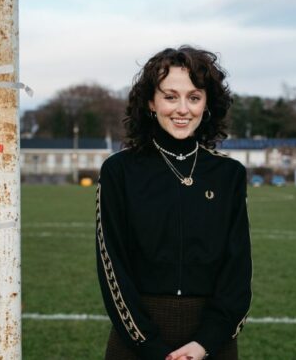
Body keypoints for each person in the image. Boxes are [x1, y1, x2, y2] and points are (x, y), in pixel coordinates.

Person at [96, 45, 252, 360]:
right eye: (170, 96)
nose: (183, 109)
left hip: (210, 341)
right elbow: (112, 266)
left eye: (194, 97)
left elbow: (238, 270)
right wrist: (150, 346)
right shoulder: (119, 170)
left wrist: (205, 343)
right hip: (137, 339)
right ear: (151, 103)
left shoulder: (229, 174)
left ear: (207, 104)